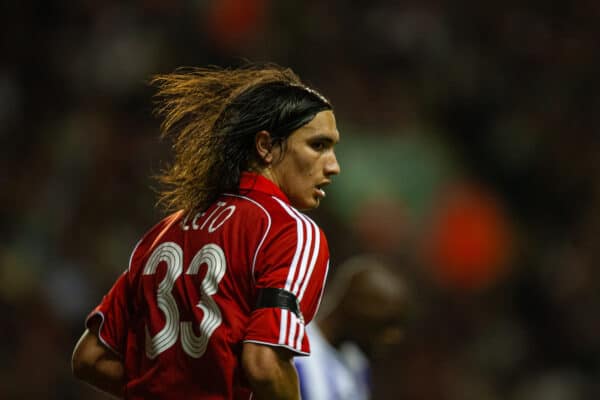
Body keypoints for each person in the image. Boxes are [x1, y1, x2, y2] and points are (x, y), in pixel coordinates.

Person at [71, 63, 341, 399]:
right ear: (265, 146)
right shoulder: (290, 232)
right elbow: (264, 365)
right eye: (318, 145)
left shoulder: (162, 233)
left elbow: (89, 359)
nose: (333, 166)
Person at [294, 254, 410, 400]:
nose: (393, 337)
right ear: (355, 309)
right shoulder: (296, 357)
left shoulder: (357, 363)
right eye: (384, 324)